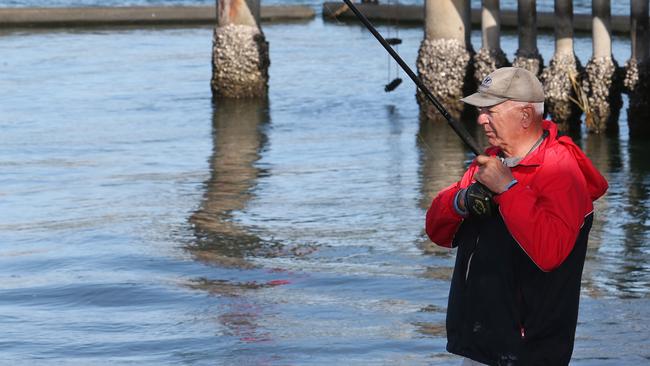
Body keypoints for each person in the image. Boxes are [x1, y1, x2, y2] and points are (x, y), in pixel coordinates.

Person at [425, 67, 608, 366]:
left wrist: (507, 189)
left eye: (490, 111)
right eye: (480, 111)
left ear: (525, 116)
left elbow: (550, 253)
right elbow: (437, 232)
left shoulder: (560, 171)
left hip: (528, 350)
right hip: (480, 345)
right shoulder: (489, 162)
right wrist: (461, 200)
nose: (481, 119)